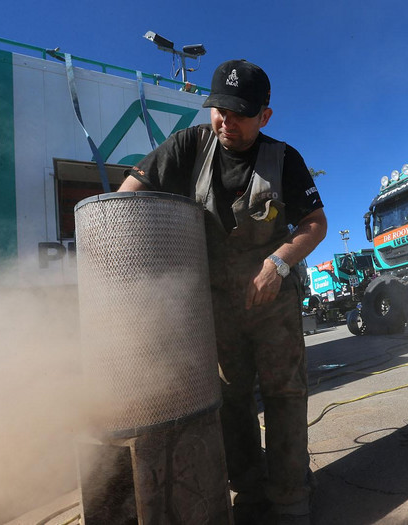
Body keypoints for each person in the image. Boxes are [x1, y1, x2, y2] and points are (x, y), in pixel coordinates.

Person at [118, 59, 327, 524]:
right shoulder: (188, 146)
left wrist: (278, 263)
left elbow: (315, 224)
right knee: (230, 400)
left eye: (239, 112)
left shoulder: (283, 158)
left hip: (273, 302)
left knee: (284, 393)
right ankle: (250, 493)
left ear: (264, 116)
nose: (225, 121)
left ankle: (292, 496)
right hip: (216, 305)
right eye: (218, 109)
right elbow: (128, 195)